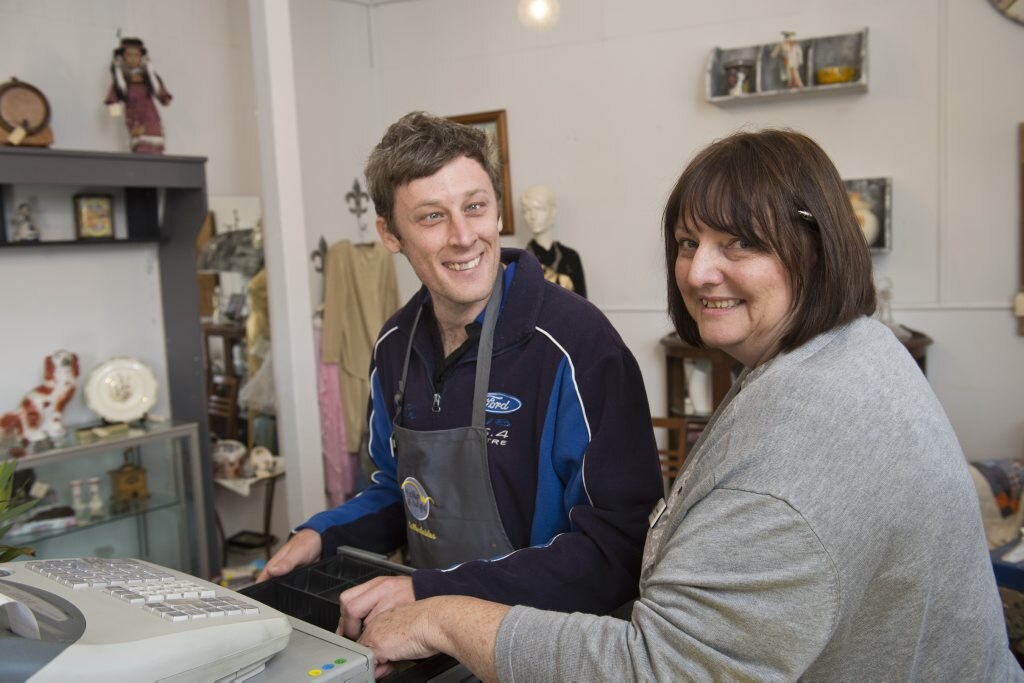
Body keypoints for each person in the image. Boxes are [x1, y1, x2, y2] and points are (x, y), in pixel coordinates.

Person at [358, 129, 1023, 681]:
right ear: (394, 234)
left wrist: (442, 611)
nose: (699, 271)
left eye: (741, 242)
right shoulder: (851, 349)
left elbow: (658, 668)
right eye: (687, 242)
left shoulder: (790, 464)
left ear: (816, 245)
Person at [257, 112, 662, 631]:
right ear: (390, 234)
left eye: (475, 207)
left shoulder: (577, 347)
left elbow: (617, 552)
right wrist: (322, 536)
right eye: (431, 217)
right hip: (431, 642)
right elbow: (395, 491)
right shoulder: (394, 348)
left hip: (546, 647)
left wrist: (430, 594)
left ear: (497, 212)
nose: (463, 237)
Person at [104, 37, 172, 154]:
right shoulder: (121, 80)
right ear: (123, 57)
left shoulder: (149, 78)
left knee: (155, 149)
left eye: (136, 55)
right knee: (140, 148)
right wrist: (117, 115)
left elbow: (164, 98)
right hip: (134, 119)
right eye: (129, 55)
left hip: (151, 119)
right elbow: (113, 102)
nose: (133, 59)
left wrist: (163, 96)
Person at [521, 185, 587, 298]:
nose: (532, 216)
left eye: (539, 209)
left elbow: (584, 305)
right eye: (526, 210)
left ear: (553, 212)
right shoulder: (521, 261)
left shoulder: (571, 257)